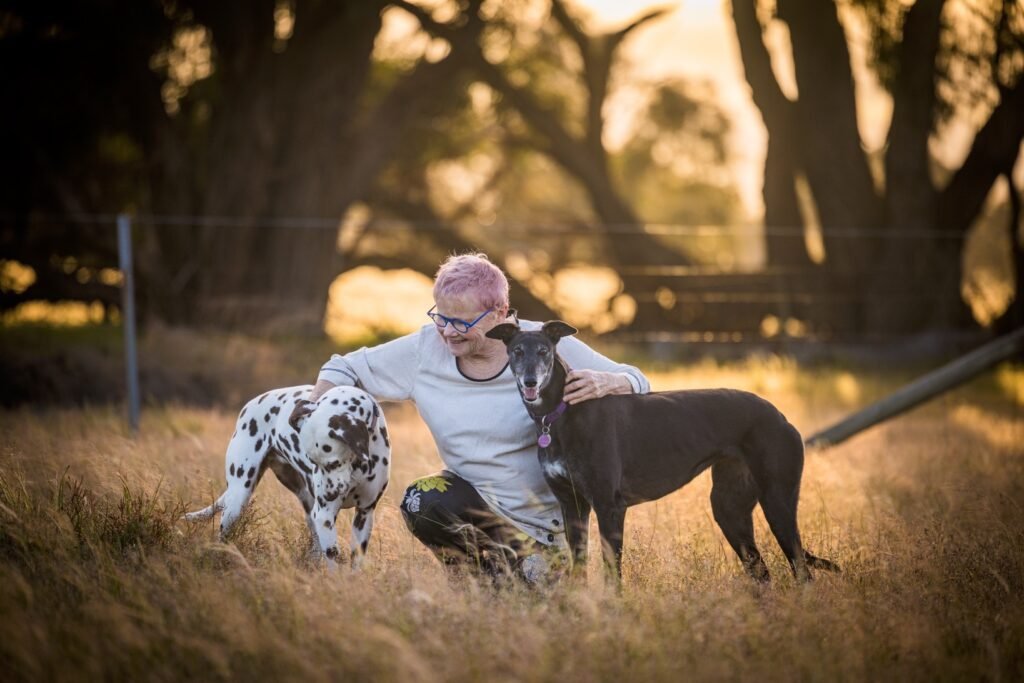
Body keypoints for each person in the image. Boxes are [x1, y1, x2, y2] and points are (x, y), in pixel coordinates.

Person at [302, 253, 650, 583]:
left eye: (462, 322)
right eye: (441, 317)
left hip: (542, 521)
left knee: (533, 597)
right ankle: (471, 577)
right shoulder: (425, 350)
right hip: (472, 501)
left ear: (500, 312)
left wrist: (607, 381)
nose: (449, 332)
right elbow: (342, 367)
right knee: (421, 500)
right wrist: (317, 410)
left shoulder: (542, 343)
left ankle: (532, 565)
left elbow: (638, 381)